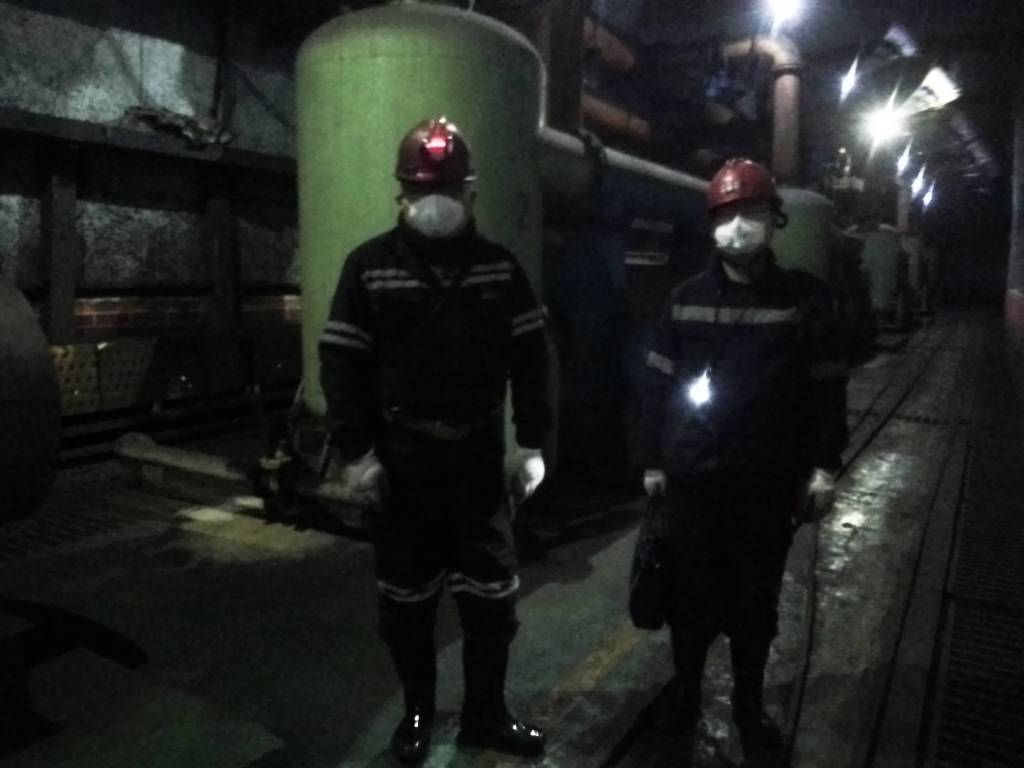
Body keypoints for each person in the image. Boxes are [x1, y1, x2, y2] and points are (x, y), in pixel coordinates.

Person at [319, 117, 550, 764]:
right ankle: (418, 712)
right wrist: (357, 453)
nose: (436, 203)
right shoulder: (368, 268)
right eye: (423, 191)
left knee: (492, 599)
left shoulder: (499, 269)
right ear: (401, 195)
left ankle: (486, 715)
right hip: (403, 462)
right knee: (405, 604)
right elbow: (341, 363)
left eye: (447, 190)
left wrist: (532, 443)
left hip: (478, 461)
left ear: (471, 194)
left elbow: (533, 359)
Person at [639, 158, 849, 765]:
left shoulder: (804, 300)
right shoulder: (684, 299)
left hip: (766, 484)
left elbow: (827, 390)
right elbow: (655, 387)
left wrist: (824, 467)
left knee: (754, 603)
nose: (739, 226)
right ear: (712, 224)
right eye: (728, 215)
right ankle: (686, 692)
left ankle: (748, 705)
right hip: (693, 482)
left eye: (751, 213)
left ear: (773, 220)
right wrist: (651, 461)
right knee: (689, 596)